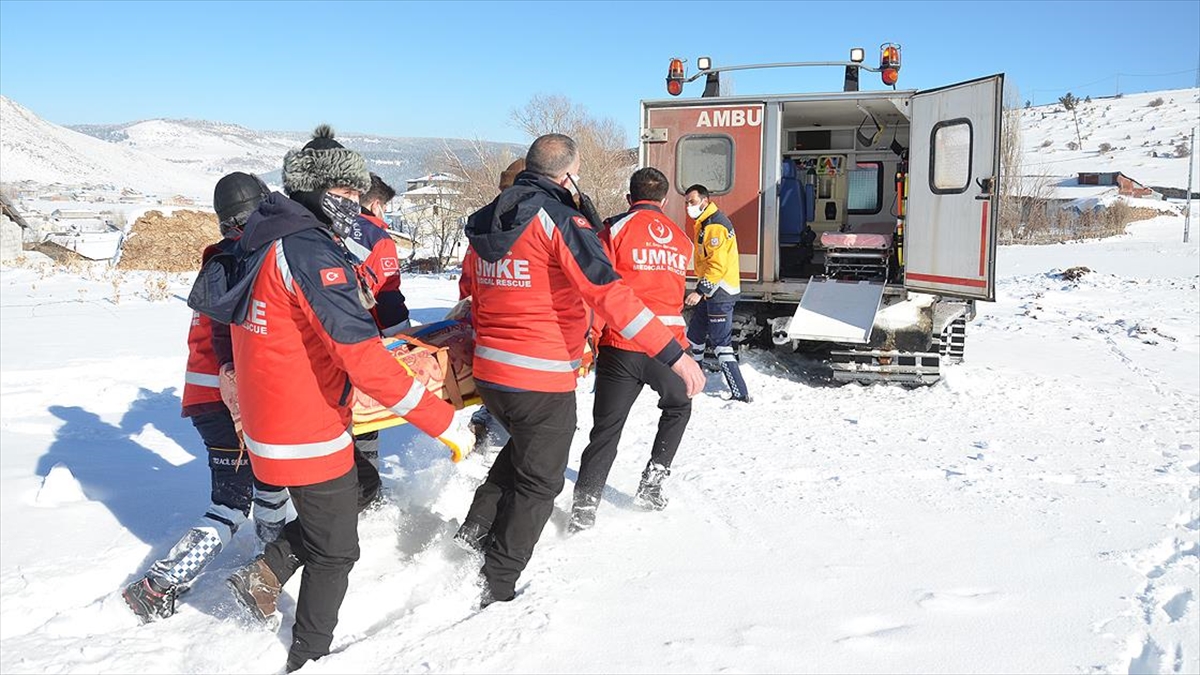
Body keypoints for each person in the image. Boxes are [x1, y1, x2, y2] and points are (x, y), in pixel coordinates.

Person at [217, 126, 473, 673]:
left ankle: (268, 571)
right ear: (316, 189)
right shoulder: (307, 249)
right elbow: (361, 356)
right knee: (337, 551)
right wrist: (441, 421)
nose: (354, 205)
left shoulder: (262, 239)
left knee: (359, 489)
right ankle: (308, 656)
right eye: (348, 194)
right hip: (304, 426)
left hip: (271, 417)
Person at [452, 134, 705, 608]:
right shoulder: (559, 220)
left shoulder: (489, 219)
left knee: (523, 452)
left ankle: (473, 533)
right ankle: (499, 584)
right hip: (539, 372)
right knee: (542, 481)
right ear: (566, 174)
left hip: (492, 369)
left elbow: (478, 291)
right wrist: (673, 353)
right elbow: (608, 292)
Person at [121, 171, 290, 623]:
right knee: (235, 502)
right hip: (232, 398)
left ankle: (264, 564)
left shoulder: (218, 261)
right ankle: (160, 585)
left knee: (268, 486)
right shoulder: (252, 262)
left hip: (204, 396)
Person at [570, 168, 693, 532]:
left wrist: (590, 338)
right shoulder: (682, 239)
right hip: (669, 348)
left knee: (606, 430)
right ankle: (653, 481)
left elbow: (597, 286)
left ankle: (585, 506)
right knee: (679, 406)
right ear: (665, 200)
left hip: (621, 344)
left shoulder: (614, 230)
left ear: (629, 197)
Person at [339, 173, 409, 510]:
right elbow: (388, 298)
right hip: (359, 342)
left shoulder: (319, 226)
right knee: (366, 420)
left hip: (313, 342)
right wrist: (408, 341)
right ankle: (366, 498)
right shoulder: (376, 237)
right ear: (377, 204)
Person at [460, 158, 524, 449]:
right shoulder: (536, 225)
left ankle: (488, 417)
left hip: (487, 335)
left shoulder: (482, 228)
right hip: (524, 338)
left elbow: (467, 285)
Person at [683, 184, 750, 402]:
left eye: (692, 202)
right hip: (711, 289)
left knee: (721, 344)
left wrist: (700, 291)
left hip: (719, 291)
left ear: (704, 200)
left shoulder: (714, 226)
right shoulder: (705, 222)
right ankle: (694, 380)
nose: (688, 207)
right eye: (686, 202)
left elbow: (717, 265)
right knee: (695, 336)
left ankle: (740, 393)